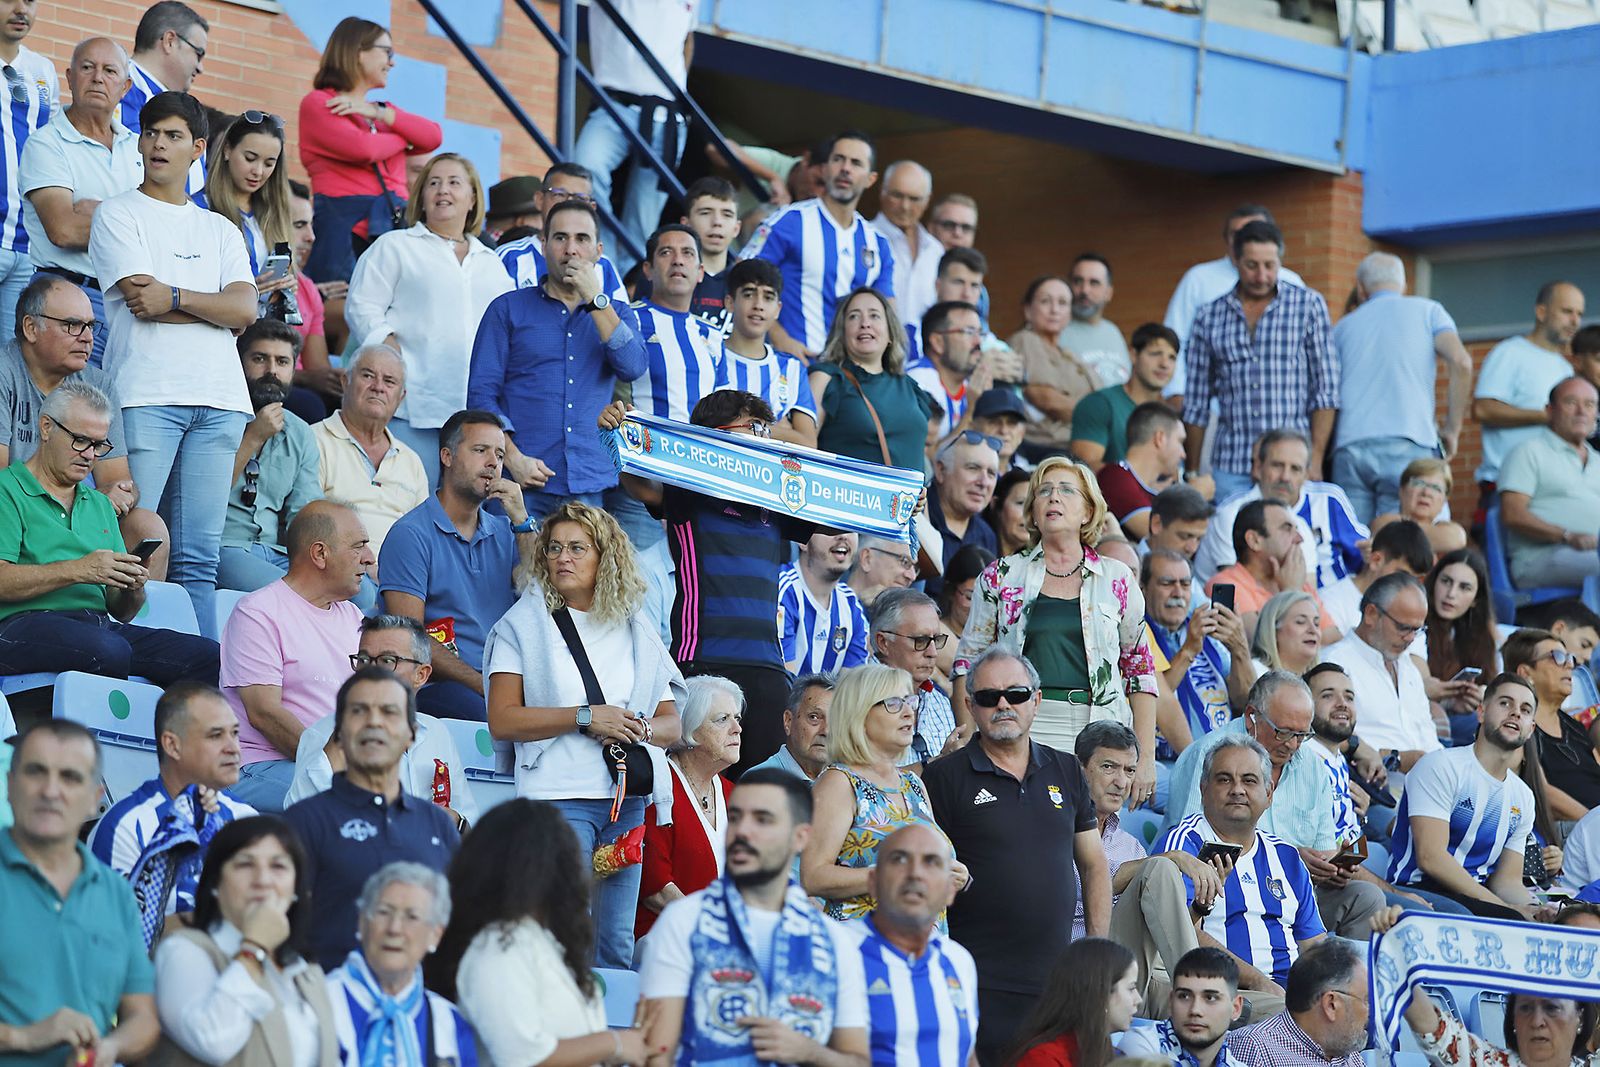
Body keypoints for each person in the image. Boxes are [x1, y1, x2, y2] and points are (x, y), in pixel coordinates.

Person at [482, 501, 683, 966]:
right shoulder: (521, 625)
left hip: (625, 802)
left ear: (605, 556)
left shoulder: (636, 626)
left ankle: (604, 1018)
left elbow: (671, 723)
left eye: (577, 548)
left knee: (614, 944)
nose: (562, 558)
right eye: (553, 548)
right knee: (562, 938)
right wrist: (585, 717)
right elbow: (503, 719)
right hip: (556, 798)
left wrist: (637, 728)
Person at [90, 90, 258, 636]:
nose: (159, 144)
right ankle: (124, 662)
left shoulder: (221, 228)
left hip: (221, 401)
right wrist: (214, 310)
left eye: (173, 135)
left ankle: (198, 673)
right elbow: (143, 299)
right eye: (150, 132)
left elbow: (245, 309)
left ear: (198, 148)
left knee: (199, 561)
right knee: (135, 543)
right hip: (146, 394)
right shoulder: (117, 212)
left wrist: (177, 298)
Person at [601, 390, 820, 774]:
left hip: (768, 669)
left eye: (766, 429)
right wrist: (620, 433)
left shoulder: (776, 497)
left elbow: (839, 510)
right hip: (704, 662)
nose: (764, 437)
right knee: (698, 779)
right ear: (715, 433)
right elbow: (639, 484)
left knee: (765, 788)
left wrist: (898, 504)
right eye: (754, 427)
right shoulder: (688, 491)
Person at [923, 648, 1107, 1061]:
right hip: (975, 979)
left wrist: (1096, 952)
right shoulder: (943, 777)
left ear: (1036, 701)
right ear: (970, 705)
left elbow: (1094, 864)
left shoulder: (1067, 769)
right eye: (989, 697)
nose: (1003, 704)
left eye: (1016, 694)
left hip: (1055, 981)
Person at [953, 457, 1159, 787]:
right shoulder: (1000, 575)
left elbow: (1140, 670)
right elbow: (968, 662)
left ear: (1088, 512)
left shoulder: (1117, 578)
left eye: (1066, 490)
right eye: (1044, 491)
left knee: (1094, 821)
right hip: (1023, 725)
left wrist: (1145, 757)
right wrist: (967, 741)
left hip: (1101, 728)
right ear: (1034, 511)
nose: (1053, 497)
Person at [0, 380, 219, 682]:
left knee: (208, 656)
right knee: (109, 649)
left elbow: (122, 612)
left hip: (98, 626)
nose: (90, 455)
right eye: (80, 440)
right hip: (18, 624)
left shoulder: (100, 504)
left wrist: (133, 586)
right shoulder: (6, 489)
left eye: (99, 445)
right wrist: (80, 569)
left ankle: (174, 716)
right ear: (46, 427)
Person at [1162, 672, 1387, 939]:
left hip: (1297, 893)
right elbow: (1194, 852)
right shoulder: (1211, 755)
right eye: (1283, 732)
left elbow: (1324, 847)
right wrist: (1288, 859)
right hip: (1224, 891)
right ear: (1251, 717)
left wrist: (1329, 868)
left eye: (1302, 734)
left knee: (1367, 898)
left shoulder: (1312, 765)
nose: (1292, 744)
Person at [427, 799, 646, 1067]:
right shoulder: (494, 950)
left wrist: (625, 1048)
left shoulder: (548, 941)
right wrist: (615, 1043)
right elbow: (523, 1058)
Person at [467, 199, 647, 522]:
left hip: (589, 480)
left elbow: (632, 366)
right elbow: (481, 396)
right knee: (512, 558)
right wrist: (512, 458)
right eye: (561, 237)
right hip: (519, 480)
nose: (571, 249)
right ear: (543, 245)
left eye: (582, 239)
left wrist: (595, 299)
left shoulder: (615, 312)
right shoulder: (507, 309)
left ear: (599, 251)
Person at [345, 153, 512, 489]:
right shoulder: (395, 246)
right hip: (411, 408)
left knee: (462, 509)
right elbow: (361, 305)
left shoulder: (493, 263)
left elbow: (508, 334)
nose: (442, 190)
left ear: (473, 198)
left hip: (472, 416)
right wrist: (388, 346)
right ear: (421, 197)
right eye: (433, 183)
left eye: (453, 182)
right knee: (407, 502)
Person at [0, 721, 158, 1067]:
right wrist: (23, 1037)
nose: (51, 791)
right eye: (36, 772)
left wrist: (111, 1048)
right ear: (10, 786)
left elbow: (143, 1018)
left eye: (70, 777)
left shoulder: (115, 892)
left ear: (94, 800)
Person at [284, 667, 459, 968]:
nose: (374, 722)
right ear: (339, 734)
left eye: (389, 712)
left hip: (419, 991)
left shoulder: (437, 824)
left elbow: (456, 921)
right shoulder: (304, 822)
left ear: (412, 734)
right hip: (329, 990)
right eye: (359, 711)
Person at [0, 274, 168, 576]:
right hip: (16, 512)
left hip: (76, 512)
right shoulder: (4, 372)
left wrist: (120, 494)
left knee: (147, 526)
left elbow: (118, 479)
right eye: (72, 325)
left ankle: (130, 605)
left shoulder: (98, 383)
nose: (87, 337)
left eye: (91, 326)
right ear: (30, 328)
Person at [380, 410, 537, 722]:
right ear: (447, 457)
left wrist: (522, 520)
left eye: (500, 455)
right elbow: (409, 639)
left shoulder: (509, 532)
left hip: (508, 678)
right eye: (480, 450)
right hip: (440, 686)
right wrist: (486, 687)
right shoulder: (410, 534)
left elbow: (542, 597)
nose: (493, 463)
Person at [150, 815, 340, 1067]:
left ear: (296, 887)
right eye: (245, 864)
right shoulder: (184, 950)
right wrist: (254, 948)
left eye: (278, 866)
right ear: (215, 881)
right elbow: (214, 1041)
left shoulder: (306, 971)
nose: (263, 880)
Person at [1072, 721, 1229, 1017]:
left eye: (1130, 770)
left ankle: (1209, 998)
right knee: (1160, 866)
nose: (1121, 782)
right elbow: (1088, 883)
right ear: (1079, 770)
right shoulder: (1057, 830)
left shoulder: (1131, 846)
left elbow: (1162, 930)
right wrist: (1174, 857)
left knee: (1264, 1008)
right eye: (1108, 767)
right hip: (1084, 973)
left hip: (1141, 977)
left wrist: (1200, 906)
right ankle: (1200, 992)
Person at [223, 501, 371, 813]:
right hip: (259, 766)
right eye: (358, 547)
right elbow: (264, 713)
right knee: (361, 807)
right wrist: (335, 767)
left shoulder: (353, 617)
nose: (369, 558)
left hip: (333, 770)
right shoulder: (258, 613)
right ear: (320, 554)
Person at [1159, 733, 1328, 1005]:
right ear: (1203, 789)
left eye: (1249, 780)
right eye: (1224, 779)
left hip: (1289, 993)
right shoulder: (1185, 845)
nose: (1237, 789)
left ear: (1269, 793)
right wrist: (1258, 981)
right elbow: (1182, 931)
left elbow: (1314, 945)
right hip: (1227, 991)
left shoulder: (1287, 857)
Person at [88, 681, 256, 944]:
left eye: (234, 733)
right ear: (172, 745)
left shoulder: (246, 818)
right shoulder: (125, 825)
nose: (233, 748)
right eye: (215, 736)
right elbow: (113, 940)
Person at [1182, 220, 1338, 500]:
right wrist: (1192, 470)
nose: (1262, 275)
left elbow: (1325, 390)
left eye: (1270, 265)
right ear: (1235, 260)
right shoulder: (1209, 316)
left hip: (1291, 464)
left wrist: (1315, 460)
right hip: (1232, 463)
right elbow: (1196, 401)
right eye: (1252, 265)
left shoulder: (1308, 306)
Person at [285, 615, 478, 828]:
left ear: (421, 675)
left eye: (388, 660)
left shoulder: (437, 731)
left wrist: (454, 821)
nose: (371, 671)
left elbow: (468, 819)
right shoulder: (322, 735)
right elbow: (299, 821)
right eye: (364, 659)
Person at [802, 663, 960, 920]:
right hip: (862, 940)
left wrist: (952, 873)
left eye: (909, 701)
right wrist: (893, 875)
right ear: (859, 714)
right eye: (894, 703)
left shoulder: (913, 784)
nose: (908, 712)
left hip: (924, 938)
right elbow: (813, 877)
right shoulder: (839, 783)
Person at [19, 36, 140, 366]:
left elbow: (166, 226)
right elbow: (64, 230)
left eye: (110, 70)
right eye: (88, 67)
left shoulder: (140, 148)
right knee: (68, 398)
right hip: (67, 301)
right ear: (70, 78)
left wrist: (100, 212)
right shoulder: (46, 144)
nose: (98, 77)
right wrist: (138, 222)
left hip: (130, 305)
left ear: (126, 86)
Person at [298, 16, 443, 284]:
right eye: (387, 52)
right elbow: (363, 149)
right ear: (357, 52)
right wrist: (404, 139)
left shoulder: (381, 112)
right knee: (342, 302)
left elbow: (433, 136)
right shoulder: (319, 103)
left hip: (392, 226)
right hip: (346, 231)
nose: (392, 62)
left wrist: (380, 114)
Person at [1329, 253, 1471, 523]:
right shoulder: (1429, 311)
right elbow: (1461, 362)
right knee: (1404, 537)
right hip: (1410, 440)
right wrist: (1452, 430)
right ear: (1404, 285)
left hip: (1350, 444)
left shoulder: (1341, 328)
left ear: (1361, 288)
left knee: (1353, 539)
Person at [1386, 671, 1539, 918]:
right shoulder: (1440, 766)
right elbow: (1431, 858)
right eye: (1505, 703)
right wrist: (1506, 909)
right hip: (1419, 892)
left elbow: (1507, 882)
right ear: (1481, 712)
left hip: (1479, 899)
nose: (1515, 713)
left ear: (1530, 729)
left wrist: (1538, 911)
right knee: (1507, 919)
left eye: (1525, 709)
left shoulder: (1524, 797)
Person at [1372, 905, 1598, 1067]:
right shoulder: (1486, 1062)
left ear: (1579, 1017)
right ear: (1513, 1020)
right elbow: (1430, 1024)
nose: (1537, 1021)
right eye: (1525, 1008)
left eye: (1552, 1008)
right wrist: (1395, 942)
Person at [742, 130, 895, 359]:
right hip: (791, 364)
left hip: (849, 372)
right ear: (825, 169)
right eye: (838, 159)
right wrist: (778, 337)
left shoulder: (879, 243)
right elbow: (742, 273)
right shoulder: (788, 220)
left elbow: (887, 311)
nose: (845, 168)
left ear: (871, 179)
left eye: (856, 163)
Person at [845, 822, 979, 1067]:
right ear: (873, 882)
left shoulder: (959, 961)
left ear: (950, 891)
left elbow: (966, 1057)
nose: (915, 873)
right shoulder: (837, 950)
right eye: (899, 859)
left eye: (932, 862)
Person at [325, 862, 477, 1067]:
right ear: (362, 922)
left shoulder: (449, 1024)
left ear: (435, 935)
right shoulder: (321, 1002)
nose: (395, 928)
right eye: (383, 912)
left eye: (412, 917)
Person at [217, 319, 328, 600]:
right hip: (223, 547)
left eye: (282, 362)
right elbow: (205, 497)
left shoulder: (300, 432)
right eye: (259, 359)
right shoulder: (217, 417)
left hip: (277, 552)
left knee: (359, 592)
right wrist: (253, 437)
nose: (271, 371)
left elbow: (304, 512)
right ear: (239, 361)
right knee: (299, 595)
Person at [637, 674, 743, 938]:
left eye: (737, 718)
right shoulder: (658, 787)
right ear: (688, 730)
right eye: (722, 719)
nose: (737, 729)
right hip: (665, 937)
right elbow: (656, 890)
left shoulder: (734, 794)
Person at [1162, 204, 1307, 396]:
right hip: (1213, 403)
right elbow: (1175, 337)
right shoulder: (1199, 278)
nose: (1260, 277)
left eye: (1255, 230)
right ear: (1227, 239)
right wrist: (1176, 392)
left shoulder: (1293, 283)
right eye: (1237, 233)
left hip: (1281, 401)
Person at [1194, 430, 1366, 591]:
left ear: (1306, 475)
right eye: (1277, 465)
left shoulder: (1304, 522)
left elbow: (1307, 592)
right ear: (1258, 468)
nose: (1285, 477)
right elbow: (1237, 591)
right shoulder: (1231, 514)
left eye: (1295, 469)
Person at [311, 343, 428, 556]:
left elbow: (423, 536)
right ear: (345, 382)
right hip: (335, 566)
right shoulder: (313, 440)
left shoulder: (411, 460)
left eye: (389, 381)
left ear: (401, 397)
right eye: (368, 375)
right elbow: (308, 526)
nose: (378, 387)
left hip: (400, 571)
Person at [1472, 281, 1586, 490]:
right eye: (1567, 311)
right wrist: (1544, 416)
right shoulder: (1509, 352)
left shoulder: (1565, 368)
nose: (1575, 321)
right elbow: (1483, 409)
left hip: (1551, 485)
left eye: (1579, 314)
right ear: (1541, 312)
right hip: (1506, 484)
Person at [1320, 572, 1441, 771]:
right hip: (1371, 782)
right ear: (1371, 614)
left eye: (1417, 630)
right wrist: (1395, 759)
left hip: (1428, 779)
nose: (1411, 638)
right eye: (1403, 628)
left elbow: (1427, 734)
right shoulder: (1335, 663)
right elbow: (1328, 739)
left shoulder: (1407, 665)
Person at [1143, 549, 1253, 762]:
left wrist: (1239, 649)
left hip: (1223, 760)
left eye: (1185, 584)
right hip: (1164, 762)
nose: (1178, 593)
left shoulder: (1209, 633)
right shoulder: (1136, 633)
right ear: (1144, 588)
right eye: (1167, 583)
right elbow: (1153, 700)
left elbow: (1244, 700)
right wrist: (1189, 650)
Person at [808, 286, 932, 472]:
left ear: (890, 332)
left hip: (908, 492)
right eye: (854, 316)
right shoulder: (826, 378)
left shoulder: (911, 388)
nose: (865, 323)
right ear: (841, 333)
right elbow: (803, 448)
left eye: (874, 316)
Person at [1499, 376, 1600, 588]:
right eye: (1571, 402)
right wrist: (1567, 535)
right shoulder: (1528, 452)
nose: (1581, 411)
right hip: (1542, 558)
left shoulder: (1597, 461)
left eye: (1589, 404)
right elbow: (1512, 513)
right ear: (1550, 410)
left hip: (1592, 555)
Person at [714, 256, 819, 447]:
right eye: (748, 294)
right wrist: (781, 430)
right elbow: (706, 424)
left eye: (768, 297)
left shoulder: (792, 368)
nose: (759, 305)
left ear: (778, 309)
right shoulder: (710, 356)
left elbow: (808, 443)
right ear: (730, 302)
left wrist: (741, 425)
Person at [491, 162, 630, 298]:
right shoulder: (508, 257)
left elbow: (621, 314)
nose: (569, 203)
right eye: (559, 194)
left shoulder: (604, 266)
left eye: (580, 198)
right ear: (539, 200)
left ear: (592, 208)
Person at [0, 0, 55, 340]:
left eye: (30, 0)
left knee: (11, 357)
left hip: (27, 243)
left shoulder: (42, 70)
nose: (22, 8)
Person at [1226, 938, 1370, 1067]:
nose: (1371, 1012)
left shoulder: (1347, 1053)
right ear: (1331, 1004)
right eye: (1366, 1001)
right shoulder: (1255, 1049)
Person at [203, 112, 294, 314]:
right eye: (250, 158)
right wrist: (244, 293)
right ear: (227, 150)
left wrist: (285, 289)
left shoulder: (274, 215)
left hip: (265, 324)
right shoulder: (200, 207)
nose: (258, 171)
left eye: (269, 163)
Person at [1503, 628, 1600, 818]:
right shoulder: (1515, 725)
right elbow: (1540, 791)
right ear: (1525, 672)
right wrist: (1592, 824)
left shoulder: (1576, 727)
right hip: (1569, 828)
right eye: (1557, 657)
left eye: (1569, 658)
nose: (1569, 665)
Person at [1206, 499, 1335, 638]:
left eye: (1296, 529)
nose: (1299, 538)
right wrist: (1290, 594)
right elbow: (1257, 643)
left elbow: (1333, 638)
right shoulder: (1228, 584)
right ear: (1254, 540)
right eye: (1287, 528)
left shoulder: (1299, 583)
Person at [1005, 938, 1140, 1067]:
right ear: (1101, 994)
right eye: (1131, 988)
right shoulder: (1042, 1058)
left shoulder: (1103, 1052)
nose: (1139, 999)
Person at [868, 587, 963, 767]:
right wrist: (935, 765)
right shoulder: (858, 698)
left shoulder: (939, 700)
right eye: (921, 640)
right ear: (883, 642)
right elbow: (862, 778)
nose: (933, 652)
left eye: (936, 640)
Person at [1069, 322, 1180, 472]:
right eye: (1155, 354)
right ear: (1133, 355)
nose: (1164, 364)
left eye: (1172, 357)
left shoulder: (1170, 413)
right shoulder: (1099, 404)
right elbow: (1084, 471)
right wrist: (1143, 477)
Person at [1016, 275, 1102, 459]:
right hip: (1048, 450)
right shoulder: (1025, 340)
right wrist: (1097, 418)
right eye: (1045, 301)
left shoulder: (1068, 353)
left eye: (1062, 303)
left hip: (1083, 446)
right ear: (1028, 310)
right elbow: (1046, 398)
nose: (1054, 310)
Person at [1417, 548, 1497, 739]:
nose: (1451, 594)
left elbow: (1490, 680)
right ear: (1434, 582)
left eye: (1464, 587)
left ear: (1476, 599)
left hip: (1457, 719)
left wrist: (1481, 696)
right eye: (1446, 581)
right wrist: (1447, 703)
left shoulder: (1482, 635)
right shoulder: (1415, 626)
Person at [1117, 948, 1245, 1066]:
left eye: (1210, 998)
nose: (1195, 1010)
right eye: (1184, 996)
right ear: (1171, 1001)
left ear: (1236, 1008)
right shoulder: (1142, 1045)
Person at [1316, 518, 1435, 637]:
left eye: (1417, 580)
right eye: (1403, 575)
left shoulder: (1410, 608)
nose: (1409, 585)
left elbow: (1416, 649)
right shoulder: (1330, 602)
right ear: (1376, 560)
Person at [1096, 402, 1194, 541]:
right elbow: (1165, 539)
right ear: (1160, 439)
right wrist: (1196, 496)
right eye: (1180, 441)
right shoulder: (1115, 478)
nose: (1183, 454)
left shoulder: (1143, 485)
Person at [780, 531, 870, 676]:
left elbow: (851, 686)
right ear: (803, 541)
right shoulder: (782, 591)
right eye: (831, 527)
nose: (843, 536)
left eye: (850, 527)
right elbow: (782, 681)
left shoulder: (851, 605)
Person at [926, 431, 1000, 595]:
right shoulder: (915, 518)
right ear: (940, 470)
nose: (984, 482)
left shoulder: (986, 535)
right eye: (973, 468)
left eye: (991, 473)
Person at [870, 160, 939, 326]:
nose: (905, 206)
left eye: (914, 199)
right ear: (882, 192)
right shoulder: (864, 238)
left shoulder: (935, 250)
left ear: (927, 200)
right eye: (897, 196)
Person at [911, 299, 990, 440]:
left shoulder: (972, 386)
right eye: (969, 332)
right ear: (938, 342)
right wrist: (971, 409)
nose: (978, 341)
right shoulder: (918, 383)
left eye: (980, 333)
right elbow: (928, 453)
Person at [1053, 253, 1128, 386]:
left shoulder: (1113, 331)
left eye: (1094, 283)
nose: (1085, 290)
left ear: (1109, 293)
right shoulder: (1053, 330)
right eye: (1078, 281)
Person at [1370, 456, 1469, 557]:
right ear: (1401, 490)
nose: (1426, 492)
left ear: (1444, 501)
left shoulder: (1453, 533)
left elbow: (1456, 538)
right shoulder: (1383, 523)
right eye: (1419, 483)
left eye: (1436, 488)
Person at [750, 674, 834, 782]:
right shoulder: (758, 783)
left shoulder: (848, 784)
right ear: (788, 721)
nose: (826, 731)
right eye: (814, 717)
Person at [937, 545, 994, 691]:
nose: (979, 607)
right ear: (951, 591)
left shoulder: (1002, 639)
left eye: (989, 599)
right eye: (970, 597)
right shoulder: (934, 634)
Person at [1252, 590, 1327, 679]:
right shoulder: (1255, 673)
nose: (1313, 630)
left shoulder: (1322, 681)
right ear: (1273, 630)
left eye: (1316, 624)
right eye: (1300, 622)